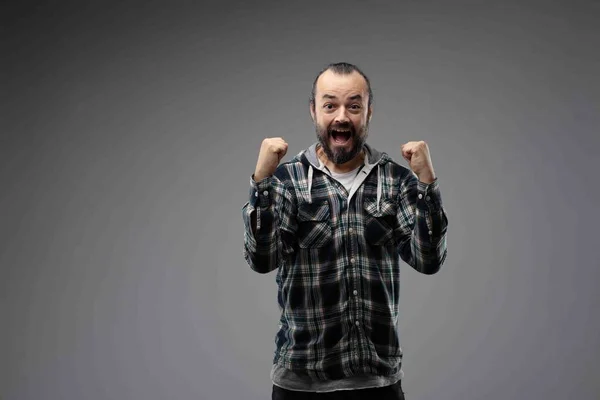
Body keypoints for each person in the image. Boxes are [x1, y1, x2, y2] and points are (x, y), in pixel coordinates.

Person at [241, 62, 448, 400]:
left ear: (368, 112)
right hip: (300, 383)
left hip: (377, 383)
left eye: (354, 105)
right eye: (330, 105)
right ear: (313, 111)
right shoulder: (287, 180)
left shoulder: (394, 180)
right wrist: (261, 181)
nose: (342, 117)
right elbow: (262, 259)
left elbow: (428, 260)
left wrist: (426, 183)